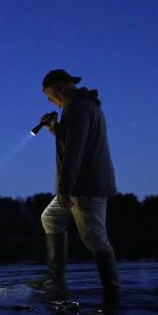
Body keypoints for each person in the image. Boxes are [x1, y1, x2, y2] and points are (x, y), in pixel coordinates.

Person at [36, 69, 120, 301]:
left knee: (95, 238)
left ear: (60, 87)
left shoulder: (79, 108)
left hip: (85, 186)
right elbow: (72, 139)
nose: (48, 100)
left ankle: (113, 294)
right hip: (79, 185)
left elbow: (75, 149)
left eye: (49, 94)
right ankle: (56, 283)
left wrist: (65, 188)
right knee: (51, 218)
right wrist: (55, 128)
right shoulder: (78, 108)